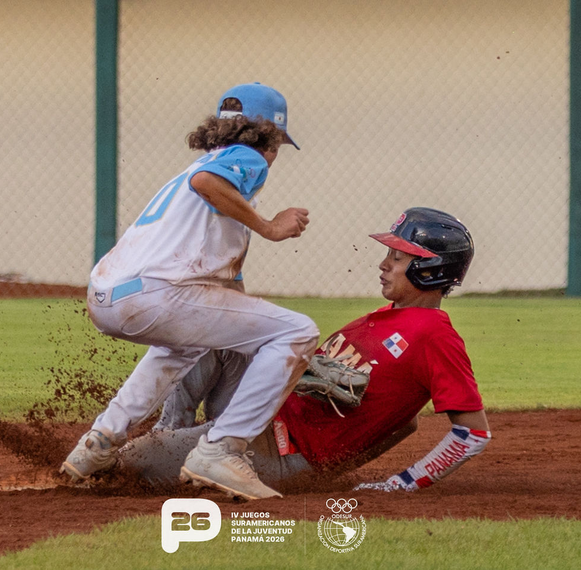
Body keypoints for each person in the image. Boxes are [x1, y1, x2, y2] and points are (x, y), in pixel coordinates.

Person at [59, 83, 320, 501]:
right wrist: (270, 227)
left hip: (109, 296)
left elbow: (227, 292)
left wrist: (256, 339)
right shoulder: (244, 159)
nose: (274, 155)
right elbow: (207, 182)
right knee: (299, 332)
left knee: (183, 346)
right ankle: (221, 450)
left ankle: (97, 445)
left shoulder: (203, 176)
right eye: (277, 144)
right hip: (156, 296)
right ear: (266, 134)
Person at [116, 207, 491, 498]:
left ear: (430, 269)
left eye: (398, 257)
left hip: (272, 451)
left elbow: (472, 433)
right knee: (215, 326)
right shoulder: (387, 318)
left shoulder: (433, 335)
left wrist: (402, 483)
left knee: (129, 464)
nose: (384, 264)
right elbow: (402, 421)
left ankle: (169, 449)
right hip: (260, 417)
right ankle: (172, 431)